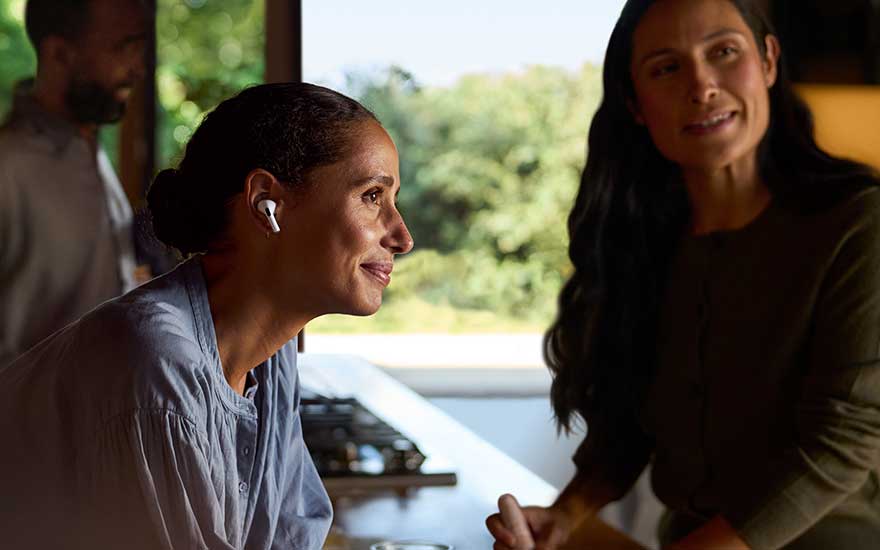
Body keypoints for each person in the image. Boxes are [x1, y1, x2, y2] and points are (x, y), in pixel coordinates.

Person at [487, 0, 880, 549]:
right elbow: (629, 423)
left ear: (768, 60)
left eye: (724, 52)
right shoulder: (641, 243)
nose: (702, 87)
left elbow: (845, 440)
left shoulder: (859, 225)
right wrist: (565, 514)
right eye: (667, 68)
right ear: (635, 102)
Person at [0, 82, 414, 549]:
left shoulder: (271, 361)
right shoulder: (156, 362)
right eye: (372, 196)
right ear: (266, 203)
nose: (402, 237)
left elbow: (288, 537)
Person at [0, 0, 150, 366]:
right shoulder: (9, 167)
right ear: (59, 53)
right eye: (122, 48)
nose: (138, 69)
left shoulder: (90, 147)